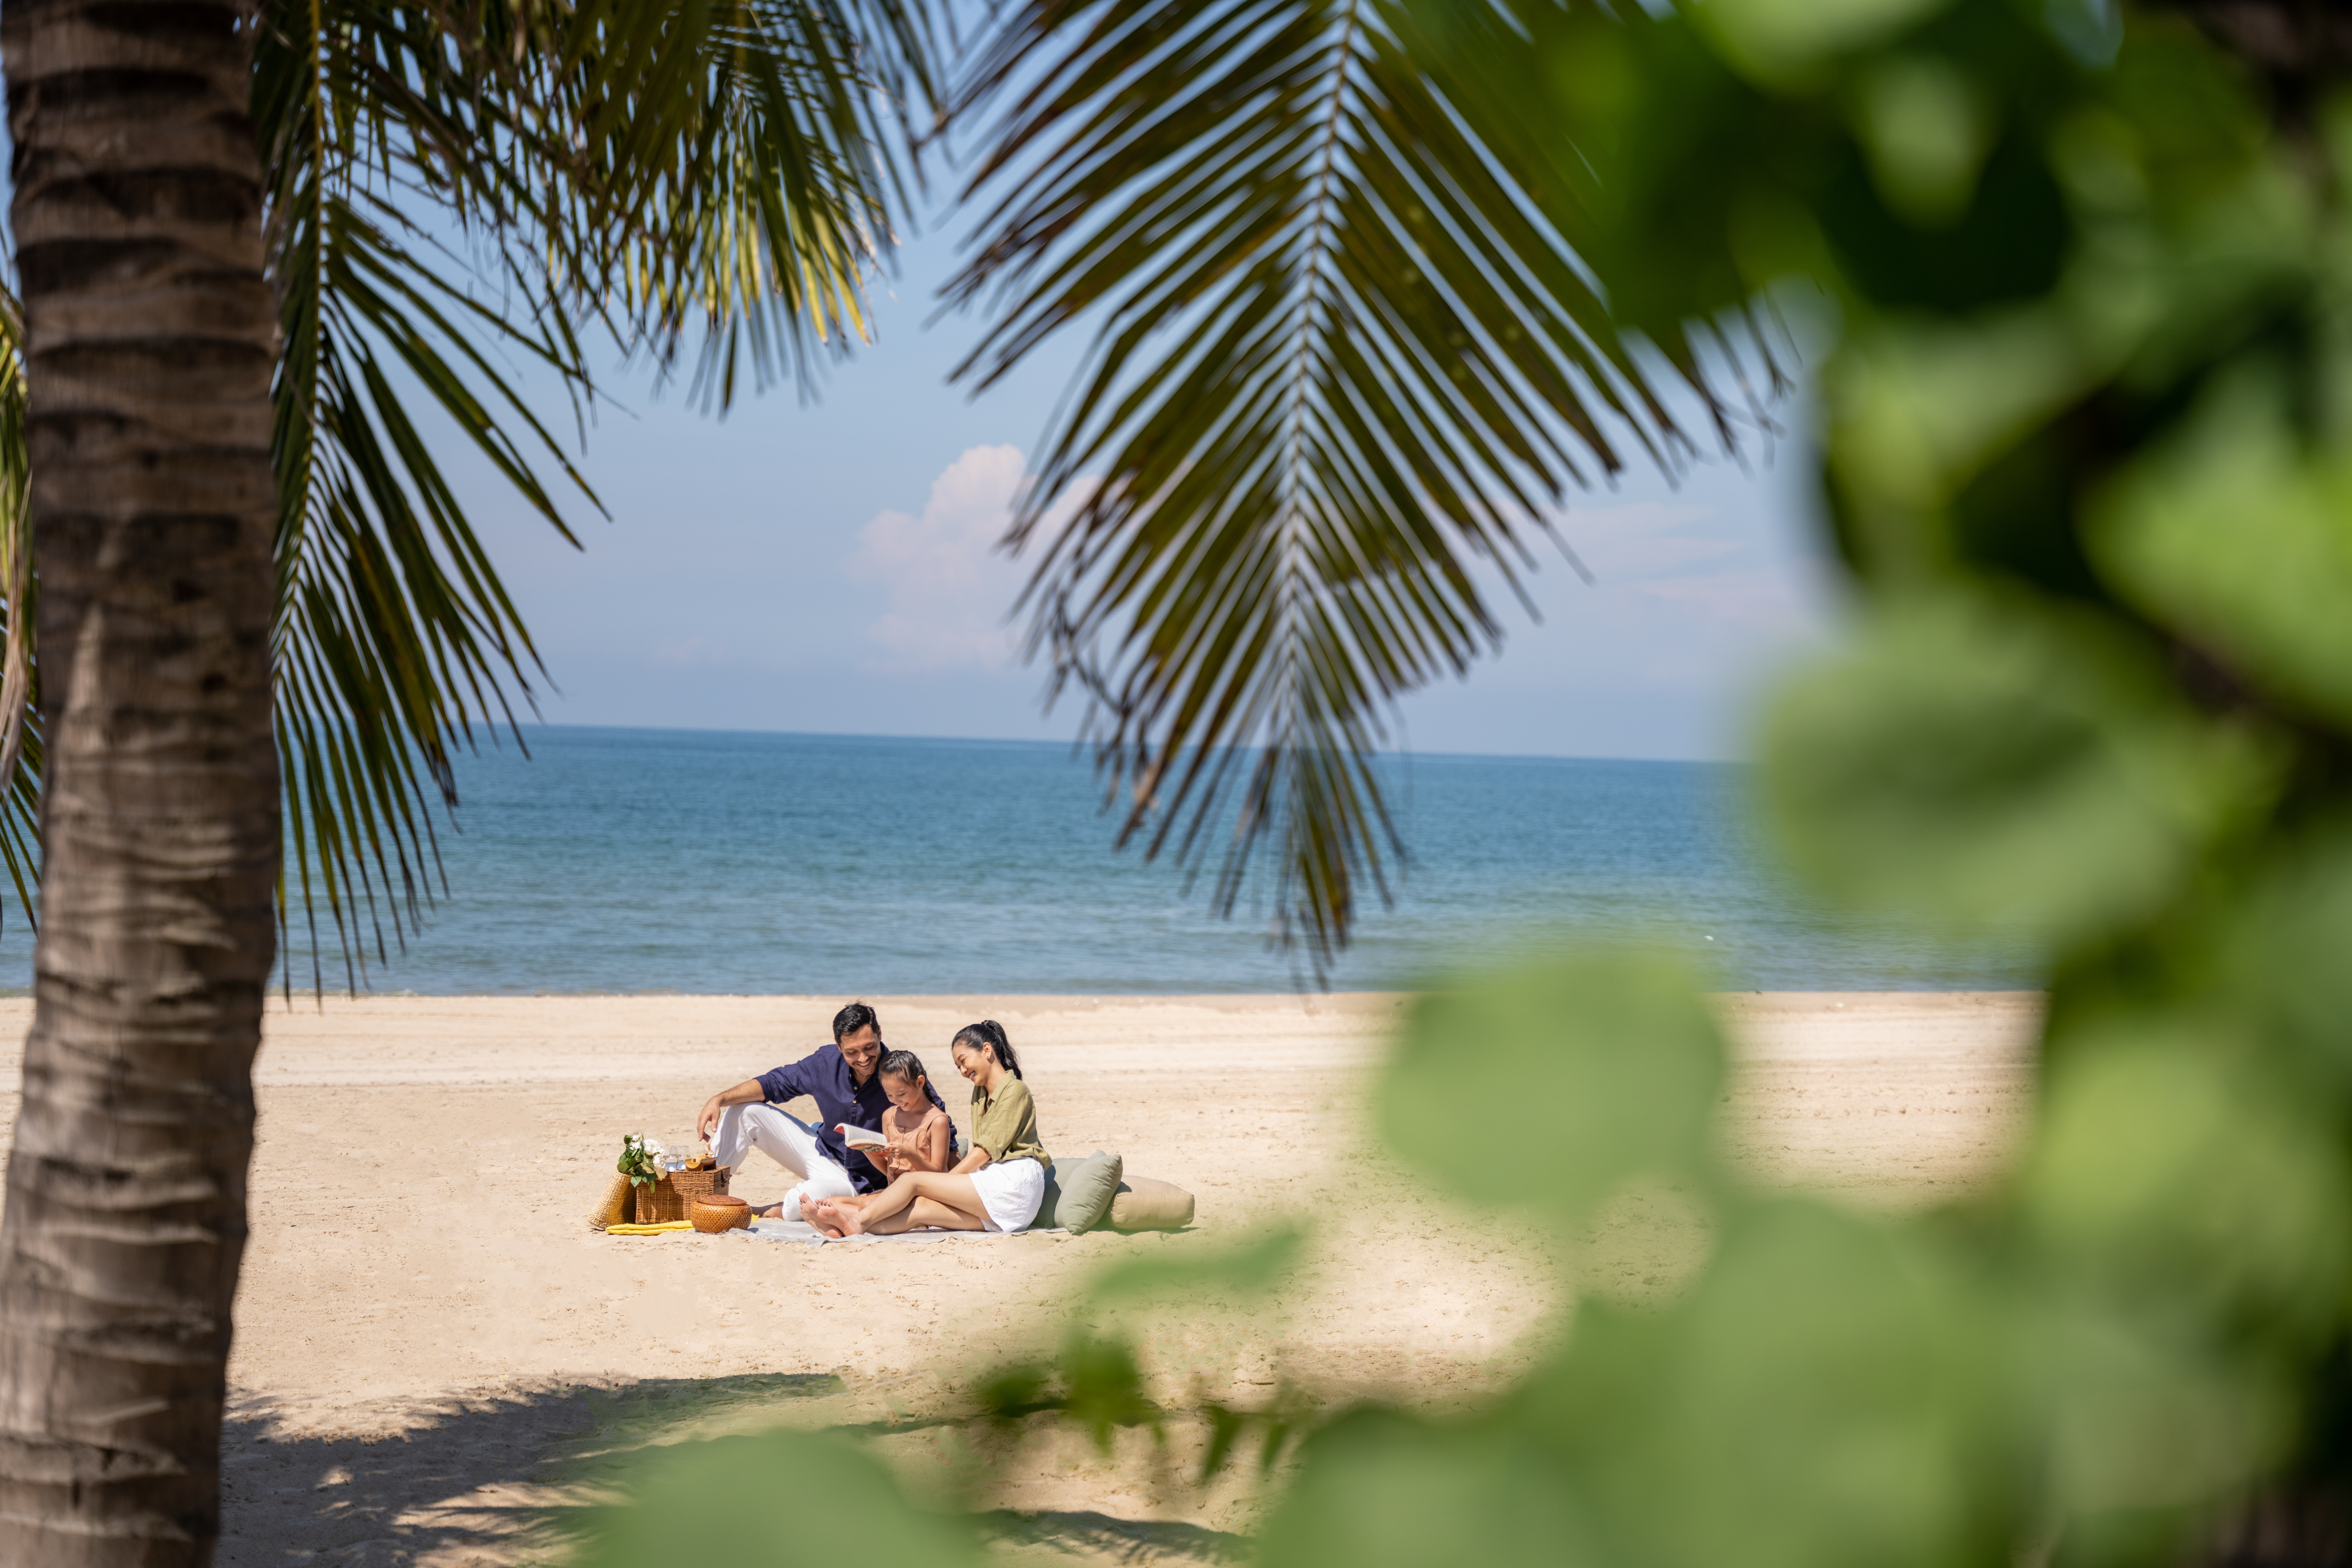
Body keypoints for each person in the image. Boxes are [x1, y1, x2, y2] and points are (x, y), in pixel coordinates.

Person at [694, 1002, 954, 1220]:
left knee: (803, 1202)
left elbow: (940, 1122)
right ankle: (703, 1195)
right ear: (838, 1046)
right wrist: (720, 1098)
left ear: (880, 1034)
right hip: (821, 1150)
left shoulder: (900, 1074)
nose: (863, 1058)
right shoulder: (825, 1063)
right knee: (744, 1111)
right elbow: (774, 1084)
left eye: (869, 1048)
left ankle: (771, 1210)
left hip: (856, 1183)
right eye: (852, 1052)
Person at [805, 1020, 1050, 1237]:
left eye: (964, 1062)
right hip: (1005, 1210)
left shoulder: (1015, 1090)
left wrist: (946, 1184)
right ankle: (845, 1228)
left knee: (914, 1182)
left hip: (1014, 1184)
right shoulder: (981, 1093)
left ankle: (858, 1221)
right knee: (920, 1211)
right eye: (958, 1067)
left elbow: (984, 1152)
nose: (963, 1071)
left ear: (987, 1050)